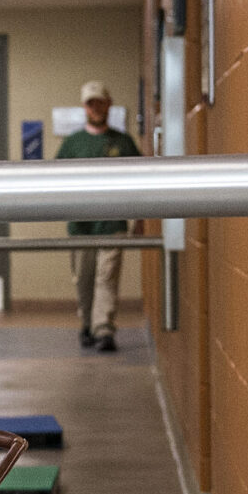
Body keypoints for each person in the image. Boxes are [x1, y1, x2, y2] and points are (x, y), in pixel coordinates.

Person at [54, 79, 142, 351]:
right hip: (81, 226)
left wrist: (140, 217)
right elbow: (55, 180)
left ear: (109, 105)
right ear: (84, 108)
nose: (96, 108)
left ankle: (104, 328)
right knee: (84, 278)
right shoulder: (72, 145)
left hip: (113, 221)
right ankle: (87, 325)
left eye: (100, 103)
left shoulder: (123, 142)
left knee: (107, 277)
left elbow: (142, 180)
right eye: (91, 104)